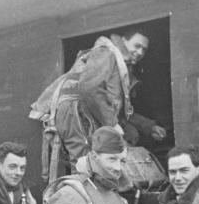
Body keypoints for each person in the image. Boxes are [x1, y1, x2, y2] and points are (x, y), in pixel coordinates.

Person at [53, 29, 166, 165]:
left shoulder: (123, 68)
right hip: (77, 112)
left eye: (144, 49)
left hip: (90, 113)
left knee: (130, 134)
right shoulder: (106, 52)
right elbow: (90, 88)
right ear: (123, 41)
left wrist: (149, 127)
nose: (140, 52)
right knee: (85, 161)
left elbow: (122, 112)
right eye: (137, 46)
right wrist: (111, 123)